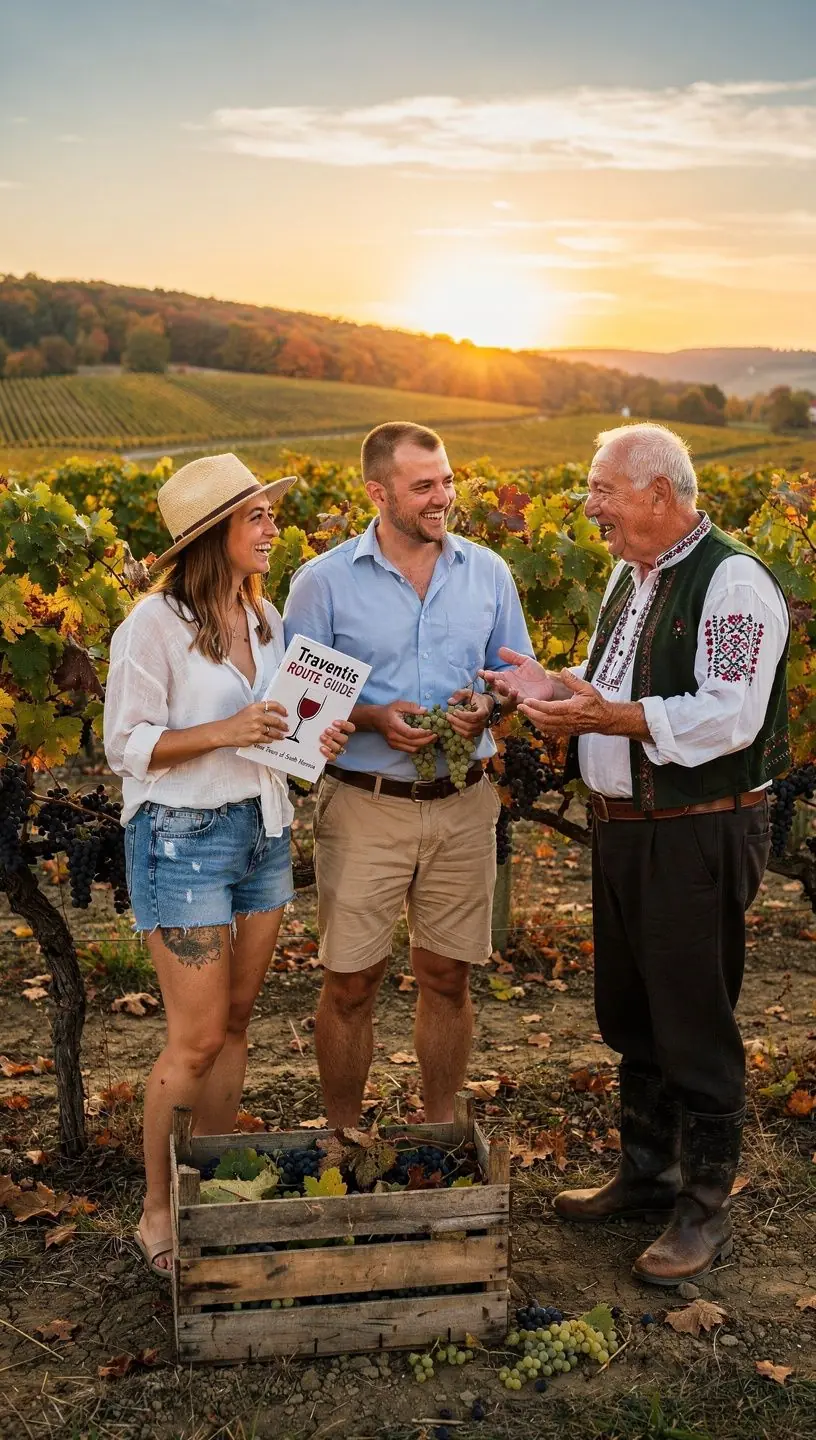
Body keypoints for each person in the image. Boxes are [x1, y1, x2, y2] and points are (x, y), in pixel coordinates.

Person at [483, 423, 789, 1287]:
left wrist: (609, 720)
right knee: (632, 1009)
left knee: (693, 1016)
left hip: (696, 831)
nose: (590, 507)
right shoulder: (629, 574)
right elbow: (608, 689)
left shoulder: (730, 582)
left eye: (602, 490)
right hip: (625, 828)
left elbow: (729, 712)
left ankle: (704, 1208)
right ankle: (647, 1174)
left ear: (659, 493)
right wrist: (547, 690)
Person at [104, 452, 352, 1276]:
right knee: (197, 1036)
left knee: (236, 1024)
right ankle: (157, 1212)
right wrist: (227, 730)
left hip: (263, 832)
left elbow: (271, 731)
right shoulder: (152, 626)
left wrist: (316, 736)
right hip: (183, 841)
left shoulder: (266, 617)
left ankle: (205, 1188)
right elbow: (126, 746)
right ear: (216, 535)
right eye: (258, 518)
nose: (274, 528)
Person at [283, 421, 533, 1127]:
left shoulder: (488, 572)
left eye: (447, 480)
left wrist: (487, 705)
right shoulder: (322, 583)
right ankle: (343, 1135)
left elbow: (518, 680)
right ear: (378, 492)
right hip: (367, 804)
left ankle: (441, 1127)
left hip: (463, 803)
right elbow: (294, 699)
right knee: (351, 983)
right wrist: (372, 717)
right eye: (424, 485)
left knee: (447, 977)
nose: (442, 497)